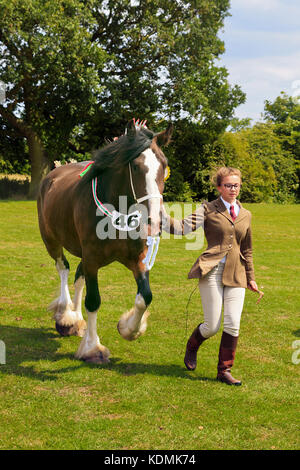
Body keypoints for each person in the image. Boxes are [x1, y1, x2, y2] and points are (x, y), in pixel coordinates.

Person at [162, 166, 259, 386]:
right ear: (219, 187)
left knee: (233, 323)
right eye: (228, 185)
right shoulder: (208, 209)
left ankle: (224, 370)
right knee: (212, 325)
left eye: (236, 185)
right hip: (212, 271)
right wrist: (160, 215)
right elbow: (181, 227)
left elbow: (248, 249)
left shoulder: (246, 215)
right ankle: (193, 345)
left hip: (237, 273)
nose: (233, 189)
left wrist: (251, 277)